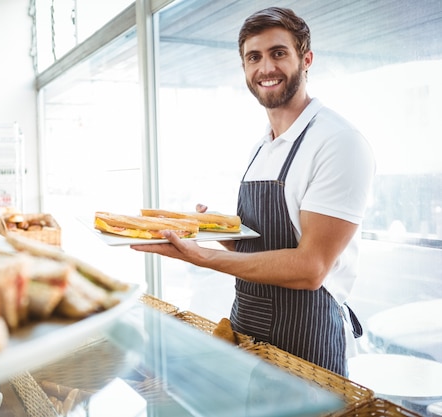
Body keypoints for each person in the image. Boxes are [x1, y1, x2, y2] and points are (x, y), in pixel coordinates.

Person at [131, 6, 375, 376]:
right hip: (248, 331)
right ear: (244, 68)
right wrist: (220, 232)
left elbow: (311, 267)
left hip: (307, 342)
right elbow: (264, 246)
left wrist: (203, 257)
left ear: (306, 59)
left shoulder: (338, 142)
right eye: (253, 57)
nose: (265, 68)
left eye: (279, 53)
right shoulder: (262, 148)